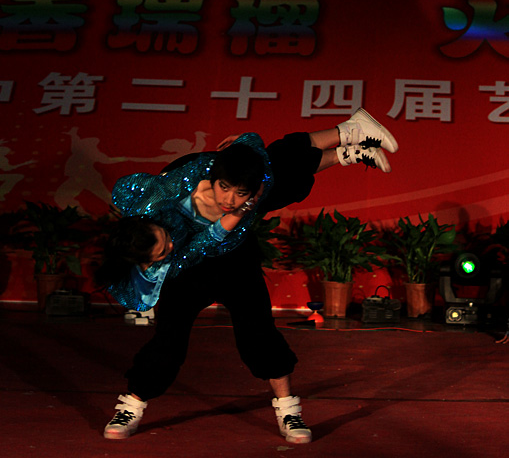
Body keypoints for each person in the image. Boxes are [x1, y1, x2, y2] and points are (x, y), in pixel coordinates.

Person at [98, 108, 399, 444]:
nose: (230, 200)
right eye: (161, 252)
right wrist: (240, 208)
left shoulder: (170, 191)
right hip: (197, 263)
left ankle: (288, 409)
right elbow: (205, 243)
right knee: (168, 341)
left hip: (236, 260)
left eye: (165, 239)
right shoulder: (176, 255)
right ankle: (131, 406)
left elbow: (255, 156)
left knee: (258, 332)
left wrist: (243, 145)